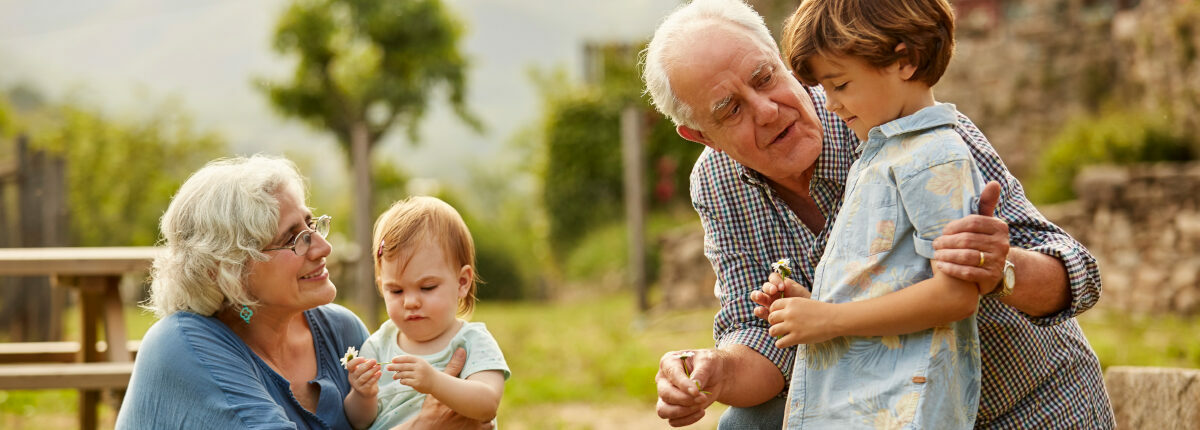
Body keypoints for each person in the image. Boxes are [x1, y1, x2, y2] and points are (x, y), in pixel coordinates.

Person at [642, 0, 1114, 428]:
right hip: (886, 412)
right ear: (701, 135)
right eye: (730, 109)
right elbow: (762, 335)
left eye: (765, 78)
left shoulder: (903, 126)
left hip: (1021, 404)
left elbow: (1077, 274)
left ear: (784, 63)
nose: (766, 111)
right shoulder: (717, 181)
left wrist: (1000, 268)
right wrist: (716, 372)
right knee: (745, 425)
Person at [116, 155, 490, 429]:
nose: (322, 248)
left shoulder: (341, 331)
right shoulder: (183, 347)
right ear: (230, 269)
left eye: (312, 225)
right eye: (294, 239)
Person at [767, 0, 987, 427]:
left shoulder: (936, 157)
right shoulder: (883, 152)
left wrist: (830, 319)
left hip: (903, 410)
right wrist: (814, 305)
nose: (829, 105)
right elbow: (893, 280)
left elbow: (956, 295)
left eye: (841, 85)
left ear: (904, 61)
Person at [343, 196, 510, 430]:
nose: (410, 302)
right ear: (381, 287)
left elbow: (487, 403)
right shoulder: (378, 345)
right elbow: (360, 422)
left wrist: (434, 381)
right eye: (396, 290)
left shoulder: (472, 341)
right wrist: (363, 395)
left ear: (462, 282)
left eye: (427, 287)